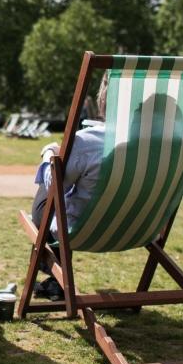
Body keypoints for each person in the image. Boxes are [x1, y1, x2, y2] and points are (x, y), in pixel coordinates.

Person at [29, 73, 108, 301]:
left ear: (102, 98)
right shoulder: (177, 144)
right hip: (141, 229)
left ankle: (55, 275)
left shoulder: (89, 142)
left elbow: (55, 186)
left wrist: (49, 156)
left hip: (83, 231)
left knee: (50, 188)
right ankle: (54, 278)